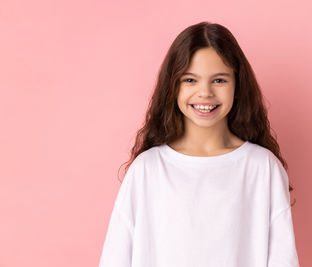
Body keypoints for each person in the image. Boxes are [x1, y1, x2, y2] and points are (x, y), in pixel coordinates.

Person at [98, 21, 300, 267]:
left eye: (219, 80)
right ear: (173, 87)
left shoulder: (262, 168)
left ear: (237, 86)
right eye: (190, 80)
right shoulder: (148, 169)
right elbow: (116, 258)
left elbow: (282, 259)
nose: (205, 93)